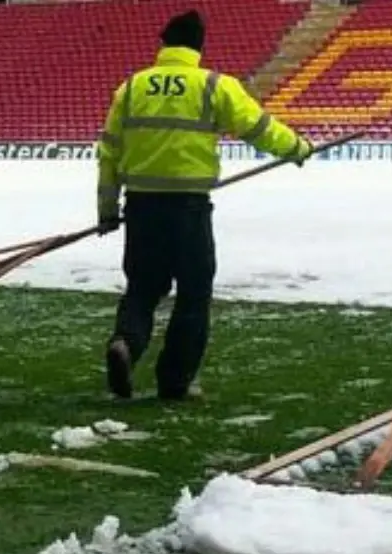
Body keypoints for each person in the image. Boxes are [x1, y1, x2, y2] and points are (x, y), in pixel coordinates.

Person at [95, 9, 314, 401]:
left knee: (142, 289)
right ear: (198, 47)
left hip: (141, 207)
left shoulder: (131, 88)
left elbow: (109, 154)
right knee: (194, 293)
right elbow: (258, 127)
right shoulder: (214, 85)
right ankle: (175, 380)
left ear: (163, 44)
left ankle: (125, 343)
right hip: (188, 208)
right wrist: (297, 148)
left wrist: (107, 210)